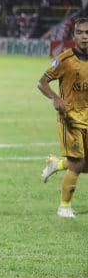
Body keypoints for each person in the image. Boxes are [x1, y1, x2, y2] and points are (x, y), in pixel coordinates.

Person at [39, 16, 88, 218]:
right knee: (77, 163)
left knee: (84, 165)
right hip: (70, 118)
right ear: (73, 36)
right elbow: (42, 83)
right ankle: (64, 207)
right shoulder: (65, 59)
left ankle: (56, 164)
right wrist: (56, 98)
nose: (85, 36)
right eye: (81, 32)